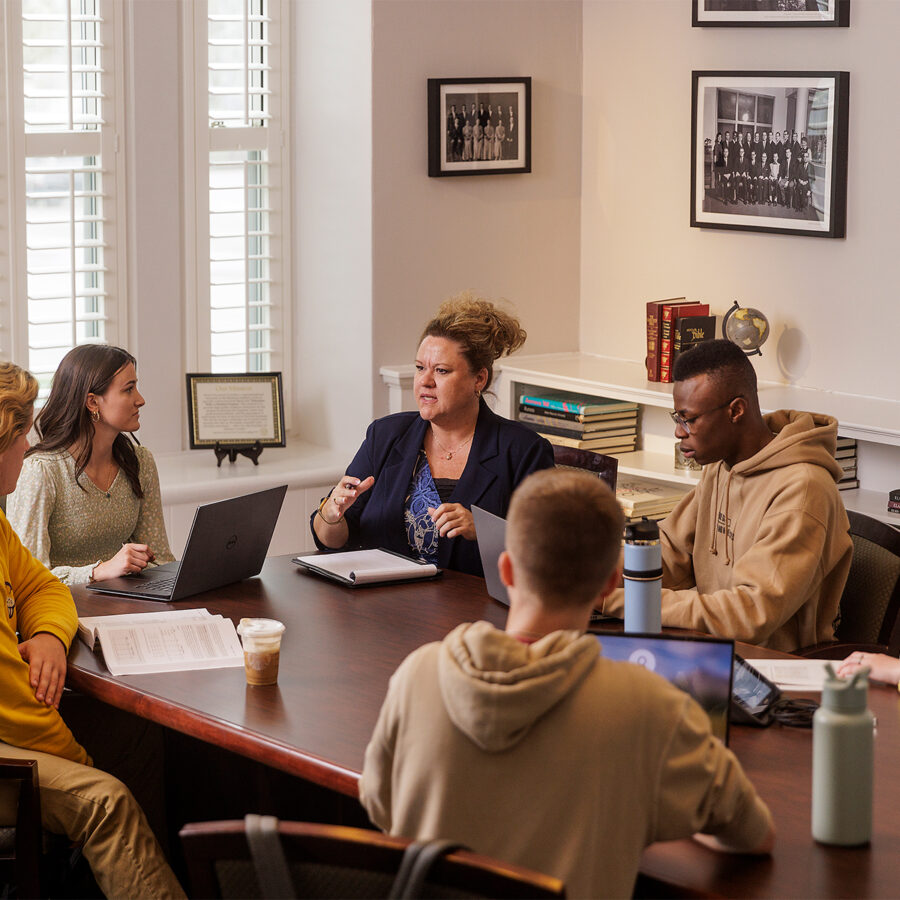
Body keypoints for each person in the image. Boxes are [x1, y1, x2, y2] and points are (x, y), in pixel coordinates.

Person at [359, 468, 774, 898]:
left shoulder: (418, 674)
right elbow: (755, 833)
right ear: (611, 584)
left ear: (507, 569)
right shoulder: (650, 707)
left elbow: (379, 803)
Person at [0, 361, 185, 899]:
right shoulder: (44, 472)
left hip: (17, 728)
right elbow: (10, 696)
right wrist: (75, 756)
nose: (30, 444)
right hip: (9, 742)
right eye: (24, 434)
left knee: (139, 732)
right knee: (107, 800)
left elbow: (42, 589)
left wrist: (52, 637)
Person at [601, 339, 852, 652]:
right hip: (711, 649)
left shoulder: (803, 489)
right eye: (676, 417)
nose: (679, 431)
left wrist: (611, 600)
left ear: (736, 410)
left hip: (772, 667)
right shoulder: (720, 466)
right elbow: (670, 552)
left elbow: (749, 614)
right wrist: (590, 576)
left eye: (689, 419)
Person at [309, 293, 554, 576]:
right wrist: (330, 516)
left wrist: (484, 531)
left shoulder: (524, 450)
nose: (425, 381)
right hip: (382, 607)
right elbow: (333, 540)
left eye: (441, 370)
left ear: (479, 379)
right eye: (419, 368)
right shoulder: (385, 436)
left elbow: (549, 552)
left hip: (474, 613)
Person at [7, 344, 174, 585]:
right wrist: (97, 572)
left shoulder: (140, 462)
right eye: (129, 389)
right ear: (92, 402)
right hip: (62, 611)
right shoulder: (41, 471)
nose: (140, 400)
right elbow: (24, 580)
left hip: (128, 608)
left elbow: (161, 560)